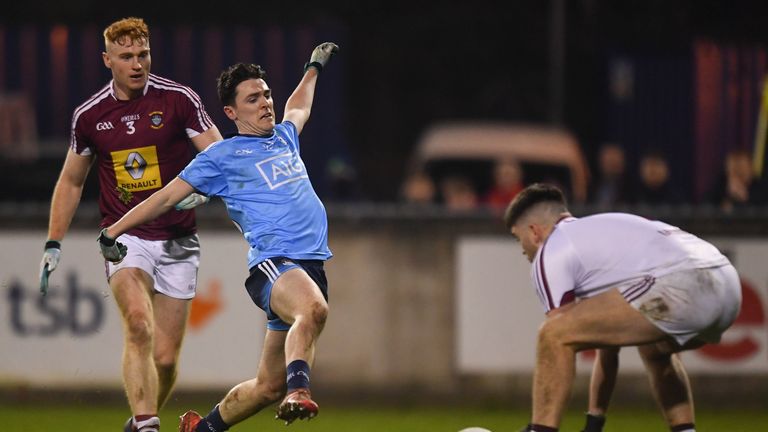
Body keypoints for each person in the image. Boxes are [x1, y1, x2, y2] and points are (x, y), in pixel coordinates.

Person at [96, 42, 340, 431]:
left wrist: (313, 67)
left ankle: (202, 428)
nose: (265, 103)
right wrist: (113, 229)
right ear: (231, 112)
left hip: (309, 265)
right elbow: (165, 197)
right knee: (313, 311)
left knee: (266, 386)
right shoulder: (221, 157)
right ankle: (300, 391)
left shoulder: (284, 137)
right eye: (252, 98)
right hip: (275, 264)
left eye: (266, 94)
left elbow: (299, 106)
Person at [37, 17, 222, 432]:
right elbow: (71, 180)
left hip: (178, 239)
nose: (137, 64)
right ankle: (147, 425)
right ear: (108, 60)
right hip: (124, 238)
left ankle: (139, 420)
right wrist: (53, 243)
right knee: (138, 324)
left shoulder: (179, 100)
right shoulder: (90, 116)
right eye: (126, 57)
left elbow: (219, 156)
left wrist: (206, 188)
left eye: (143, 54)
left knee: (165, 359)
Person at [504, 183, 741, 432]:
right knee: (654, 349)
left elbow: (562, 334)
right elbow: (608, 344)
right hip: (727, 284)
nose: (522, 248)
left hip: (681, 282)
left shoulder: (550, 250)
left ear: (534, 231)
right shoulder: (601, 233)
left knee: (551, 335)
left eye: (517, 237)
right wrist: (594, 422)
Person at [588, 142, 632, 207]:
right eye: (608, 160)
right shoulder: (591, 185)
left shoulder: (631, 188)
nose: (611, 165)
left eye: (614, 160)